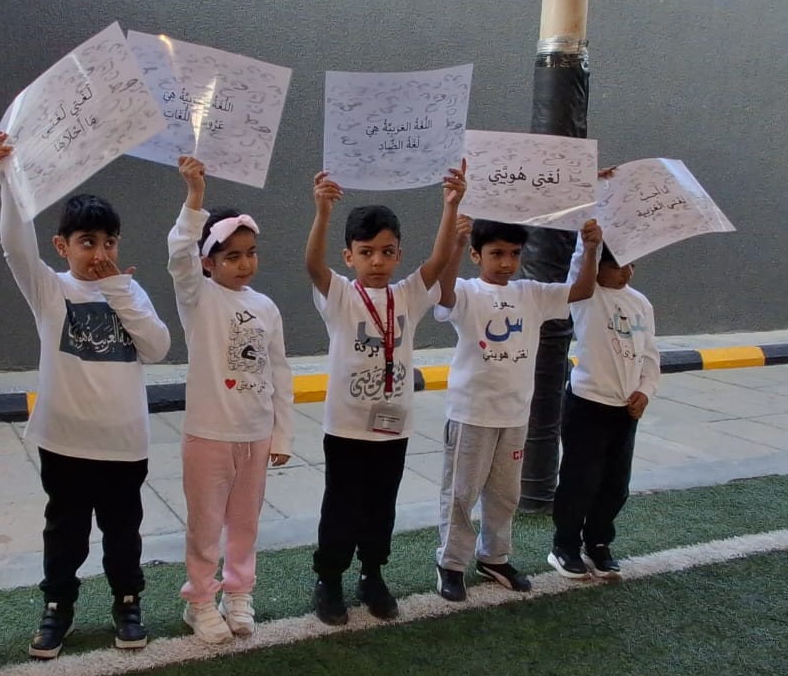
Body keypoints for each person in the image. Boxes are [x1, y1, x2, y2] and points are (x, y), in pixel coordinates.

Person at [0, 133, 172, 658]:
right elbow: (13, 245)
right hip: (64, 442)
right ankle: (57, 607)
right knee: (65, 533)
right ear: (61, 246)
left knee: (123, 534)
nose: (100, 254)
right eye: (87, 242)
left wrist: (118, 289)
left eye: (109, 243)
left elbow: (157, 347)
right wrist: (7, 178)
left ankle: (127, 602)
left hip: (123, 446)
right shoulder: (49, 289)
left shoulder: (128, 291)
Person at [305, 161, 466, 625]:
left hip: (393, 428)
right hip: (345, 427)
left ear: (398, 255)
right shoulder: (340, 295)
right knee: (341, 505)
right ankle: (329, 578)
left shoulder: (407, 295)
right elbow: (313, 265)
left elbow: (437, 263)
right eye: (366, 252)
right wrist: (322, 212)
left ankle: (372, 573)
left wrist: (450, 205)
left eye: (387, 252)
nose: (377, 261)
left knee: (381, 506)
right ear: (349, 256)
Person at [431, 216, 600, 601]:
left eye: (514, 254)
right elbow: (443, 294)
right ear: (477, 255)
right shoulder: (467, 291)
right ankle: (451, 563)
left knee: (506, 494)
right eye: (496, 254)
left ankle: (494, 557)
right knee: (461, 493)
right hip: (471, 414)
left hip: (515, 415)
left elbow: (582, 289)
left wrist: (590, 248)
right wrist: (455, 243)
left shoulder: (531, 293)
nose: (506, 262)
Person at [166, 156, 294, 644]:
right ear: (208, 262)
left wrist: (281, 434)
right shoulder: (198, 297)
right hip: (208, 437)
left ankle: (238, 593)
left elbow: (279, 372)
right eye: (232, 256)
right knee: (204, 526)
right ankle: (200, 599)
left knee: (245, 524)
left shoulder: (267, 307)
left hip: (255, 437)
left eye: (251, 253)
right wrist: (194, 197)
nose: (244, 264)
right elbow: (178, 254)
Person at [549, 170, 660, 581]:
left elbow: (650, 355)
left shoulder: (640, 303)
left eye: (631, 262)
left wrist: (644, 391)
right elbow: (583, 258)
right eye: (618, 265)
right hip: (587, 406)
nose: (627, 271)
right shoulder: (588, 297)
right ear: (600, 267)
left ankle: (598, 542)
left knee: (615, 484)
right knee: (580, 479)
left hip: (623, 412)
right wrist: (596, 198)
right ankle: (565, 546)